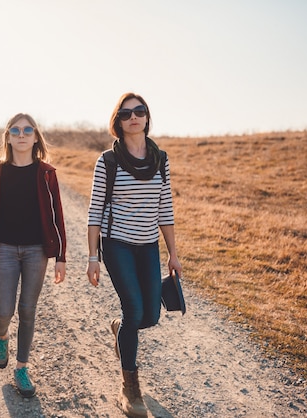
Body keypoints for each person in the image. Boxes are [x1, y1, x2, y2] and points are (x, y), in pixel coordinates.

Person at [86, 93, 182, 418]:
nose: (134, 117)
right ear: (118, 121)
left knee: (149, 317)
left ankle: (119, 328)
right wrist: (92, 256)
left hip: (147, 245)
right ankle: (130, 390)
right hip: (117, 245)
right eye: (126, 114)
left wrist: (173, 254)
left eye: (139, 111)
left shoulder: (160, 158)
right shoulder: (108, 161)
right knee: (134, 309)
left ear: (147, 116)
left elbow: (165, 208)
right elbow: (95, 211)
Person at [0, 113, 67, 398]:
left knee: (27, 310)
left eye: (28, 129)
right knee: (4, 311)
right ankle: (2, 336)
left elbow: (58, 217)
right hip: (6, 249)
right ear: (8, 136)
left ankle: (21, 368)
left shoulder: (46, 173)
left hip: (36, 252)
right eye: (15, 130)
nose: (21, 134)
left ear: (35, 137)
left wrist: (61, 257)